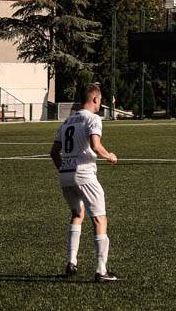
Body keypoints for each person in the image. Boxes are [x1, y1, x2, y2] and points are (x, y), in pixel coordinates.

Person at [50, 83, 119, 282]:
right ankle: (101, 270)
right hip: (84, 174)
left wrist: (64, 168)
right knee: (99, 219)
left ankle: (71, 262)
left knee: (77, 214)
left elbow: (53, 152)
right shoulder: (93, 119)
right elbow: (96, 146)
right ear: (95, 99)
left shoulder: (67, 121)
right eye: (100, 100)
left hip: (65, 175)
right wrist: (110, 156)